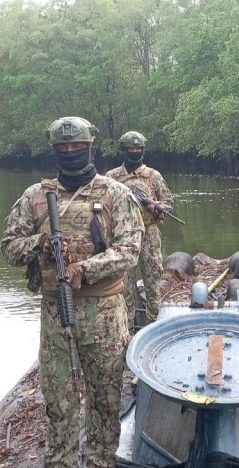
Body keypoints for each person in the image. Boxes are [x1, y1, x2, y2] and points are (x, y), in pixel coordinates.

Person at [0, 116, 143, 468]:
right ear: (53, 151)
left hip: (104, 311)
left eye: (76, 146)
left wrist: (86, 269)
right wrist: (41, 243)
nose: (69, 153)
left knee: (104, 395)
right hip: (54, 311)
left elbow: (130, 249)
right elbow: (9, 245)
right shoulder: (35, 197)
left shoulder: (115, 194)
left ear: (90, 146)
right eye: (62, 148)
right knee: (59, 399)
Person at [106, 131, 174, 328]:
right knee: (123, 285)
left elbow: (168, 204)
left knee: (153, 282)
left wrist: (155, 207)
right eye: (131, 149)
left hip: (149, 233)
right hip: (122, 236)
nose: (135, 152)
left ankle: (153, 326)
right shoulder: (112, 177)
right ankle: (126, 330)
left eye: (138, 149)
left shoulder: (153, 176)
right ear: (124, 150)